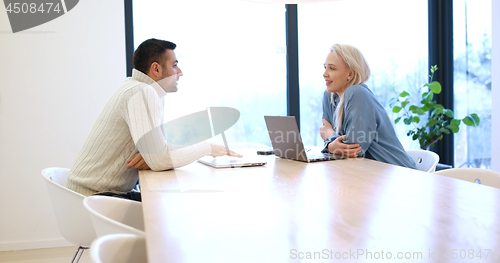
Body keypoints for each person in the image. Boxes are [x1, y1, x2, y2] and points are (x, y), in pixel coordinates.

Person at [66, 38, 241, 201]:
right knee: (178, 203)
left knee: (172, 201)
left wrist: (153, 155)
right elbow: (160, 159)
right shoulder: (142, 92)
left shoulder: (143, 90)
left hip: (93, 194)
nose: (180, 72)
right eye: (174, 66)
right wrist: (207, 148)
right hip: (94, 197)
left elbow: (160, 151)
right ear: (156, 69)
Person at [319, 44, 416, 169]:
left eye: (332, 68)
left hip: (398, 174)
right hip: (368, 175)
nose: (324, 74)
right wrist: (331, 145)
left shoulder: (358, 93)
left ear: (350, 74)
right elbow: (336, 147)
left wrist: (329, 134)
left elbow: (354, 149)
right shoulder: (329, 96)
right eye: (325, 67)